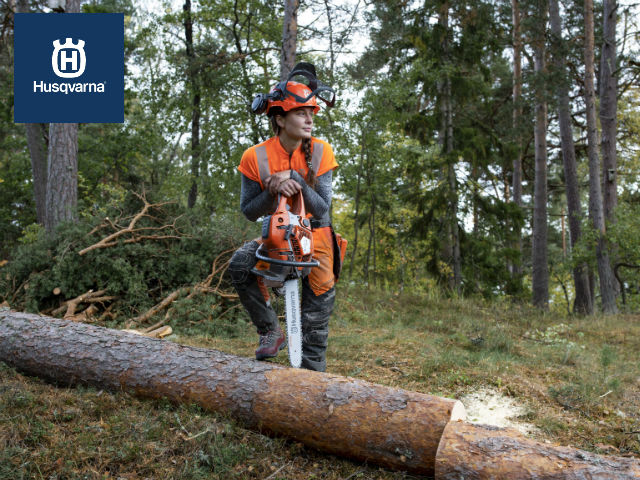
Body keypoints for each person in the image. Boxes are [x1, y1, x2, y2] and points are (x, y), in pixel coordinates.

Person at [228, 69, 338, 372]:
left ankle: (312, 383)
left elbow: (322, 208)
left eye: (311, 112)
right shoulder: (255, 156)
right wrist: (272, 190)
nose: (309, 119)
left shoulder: (320, 151)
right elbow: (249, 210)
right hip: (276, 234)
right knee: (240, 264)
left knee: (314, 324)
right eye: (300, 113)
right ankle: (270, 331)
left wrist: (297, 180)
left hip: (316, 237)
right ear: (279, 118)